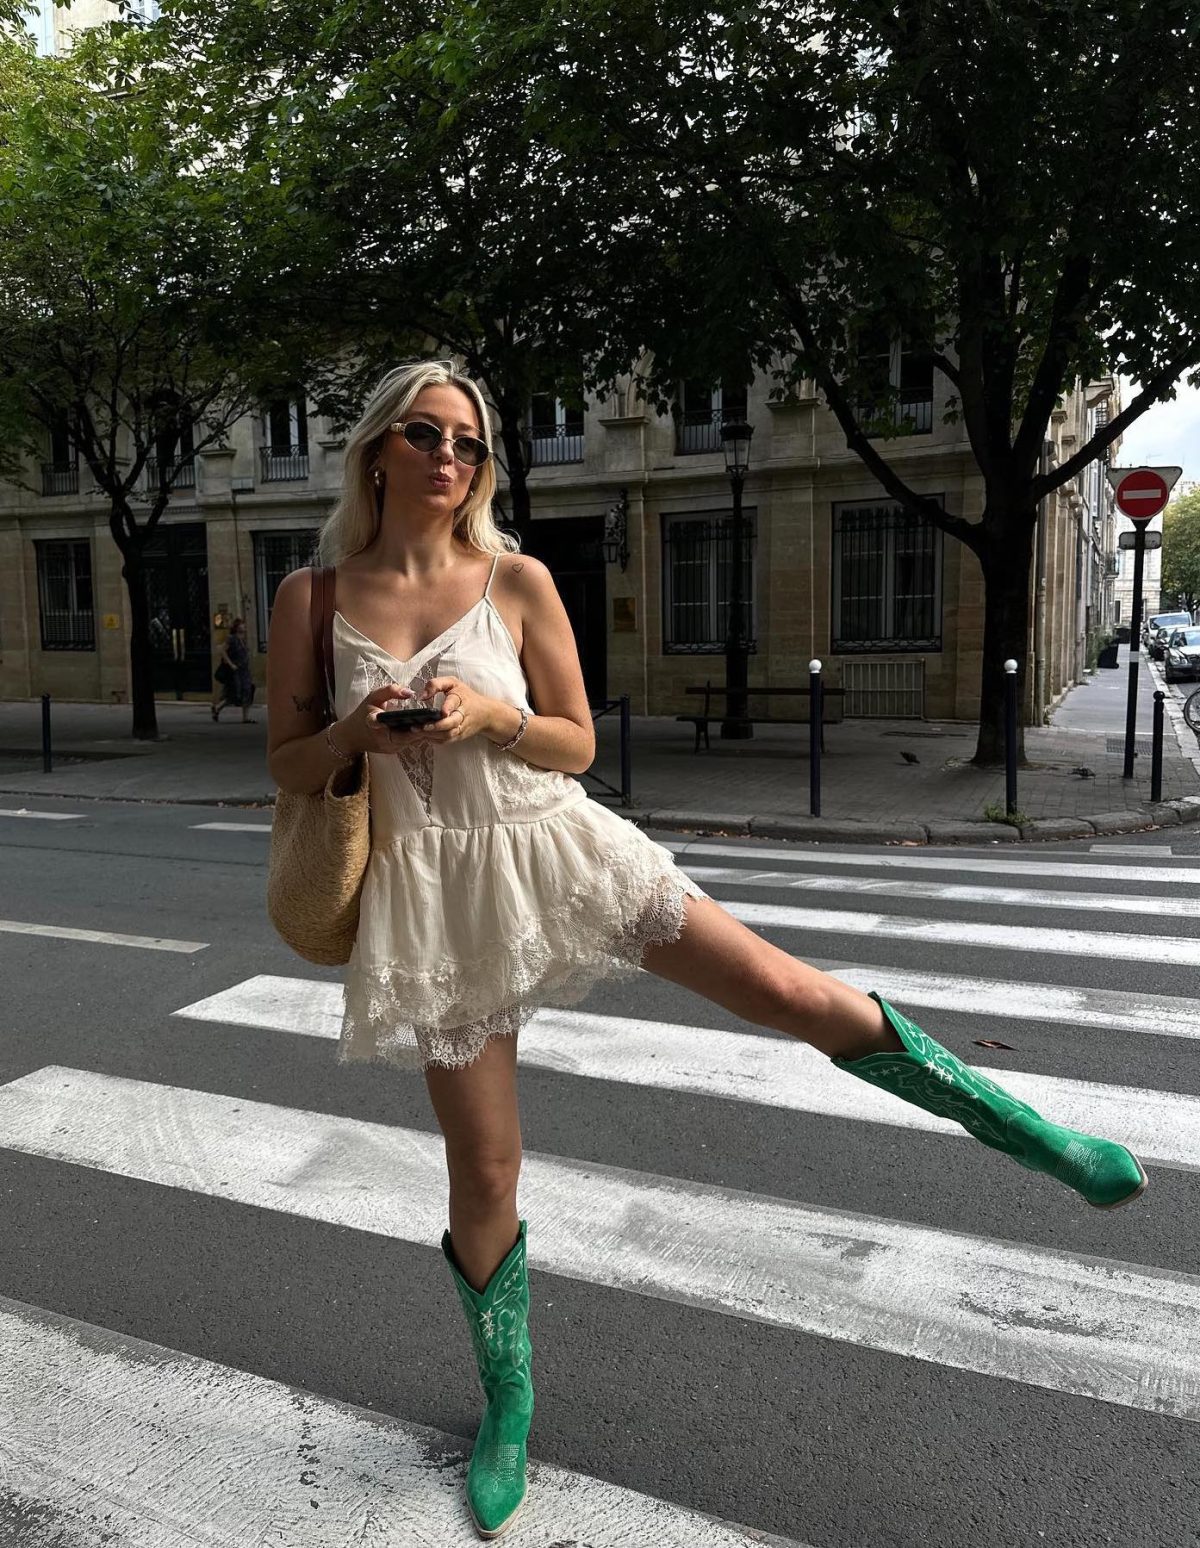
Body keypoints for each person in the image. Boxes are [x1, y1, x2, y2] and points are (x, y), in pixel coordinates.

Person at [265, 361, 1146, 1541]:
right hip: (434, 895)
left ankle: (1032, 1133)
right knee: (485, 1170)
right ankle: (508, 1402)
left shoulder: (515, 580)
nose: (448, 457)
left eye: (469, 442)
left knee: (784, 990)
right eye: (425, 434)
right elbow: (284, 766)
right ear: (378, 448)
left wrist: (491, 718)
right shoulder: (312, 598)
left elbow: (576, 745)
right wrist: (351, 731)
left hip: (560, 850)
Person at [212, 617, 255, 723]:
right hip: (236, 671)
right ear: (236, 627)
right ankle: (217, 708)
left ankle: (245, 717)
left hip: (244, 670)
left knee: (248, 691)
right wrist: (231, 664)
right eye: (241, 625)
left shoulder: (243, 639)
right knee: (234, 693)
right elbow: (222, 650)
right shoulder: (231, 638)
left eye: (244, 625)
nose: (244, 627)